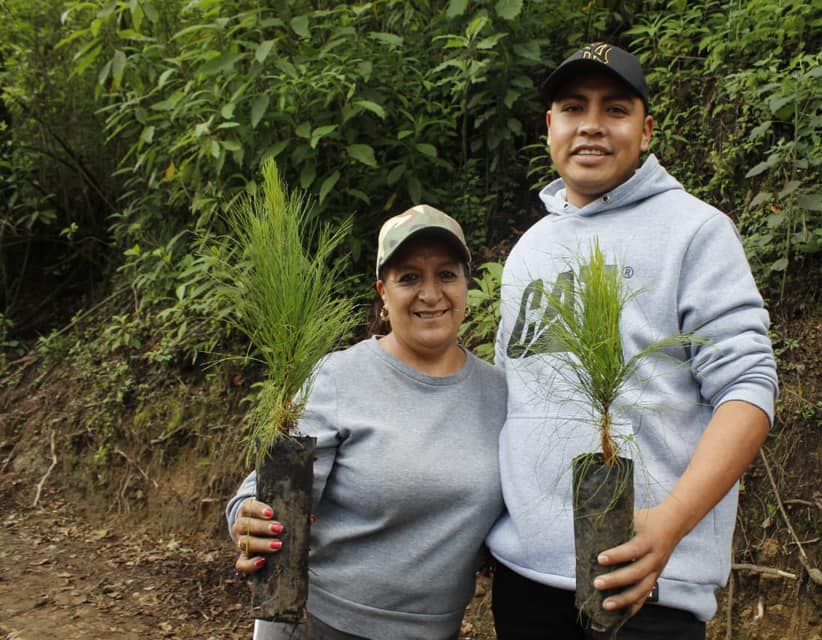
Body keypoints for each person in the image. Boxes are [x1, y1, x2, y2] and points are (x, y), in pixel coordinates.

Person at [486, 42, 780, 639]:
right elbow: (509, 406)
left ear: (645, 131)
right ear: (550, 127)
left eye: (615, 109)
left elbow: (750, 389)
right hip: (523, 584)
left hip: (650, 590)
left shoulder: (696, 232)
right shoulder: (529, 250)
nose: (591, 124)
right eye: (573, 107)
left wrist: (669, 525)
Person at [226, 205, 506, 640]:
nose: (431, 294)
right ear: (383, 292)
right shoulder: (339, 378)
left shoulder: (499, 393)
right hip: (326, 625)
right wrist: (248, 519)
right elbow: (262, 491)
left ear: (467, 285)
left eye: (446, 275)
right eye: (409, 277)